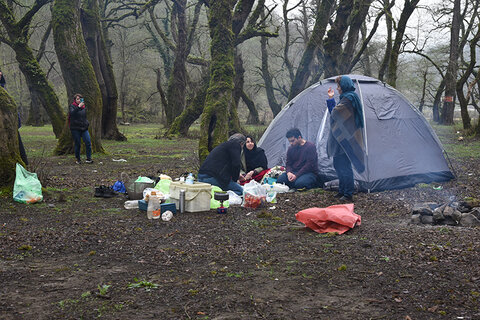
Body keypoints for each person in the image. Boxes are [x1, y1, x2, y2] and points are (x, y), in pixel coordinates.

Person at [326, 75, 365, 201]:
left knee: (345, 167)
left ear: (344, 86)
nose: (337, 89)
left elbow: (335, 114)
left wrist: (331, 100)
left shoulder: (349, 98)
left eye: (339, 86)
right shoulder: (346, 98)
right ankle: (342, 190)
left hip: (346, 138)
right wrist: (332, 99)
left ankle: (348, 193)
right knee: (338, 165)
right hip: (341, 138)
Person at [69, 93, 93, 164]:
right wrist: (78, 107)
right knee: (78, 144)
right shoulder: (72, 106)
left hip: (84, 128)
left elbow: (84, 117)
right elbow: (72, 113)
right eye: (77, 99)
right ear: (75, 100)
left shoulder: (84, 107)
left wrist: (86, 123)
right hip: (75, 128)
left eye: (80, 99)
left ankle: (89, 158)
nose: (79, 100)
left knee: (88, 142)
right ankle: (78, 159)